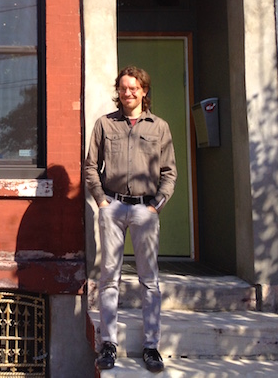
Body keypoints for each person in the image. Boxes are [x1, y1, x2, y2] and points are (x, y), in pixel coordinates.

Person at [84, 66, 177, 373]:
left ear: (144, 91)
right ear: (118, 92)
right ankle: (108, 344)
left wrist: (156, 206)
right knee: (109, 277)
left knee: (149, 281)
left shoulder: (159, 127)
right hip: (112, 207)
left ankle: (151, 346)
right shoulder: (104, 124)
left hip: (144, 211)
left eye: (133, 88)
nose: (128, 93)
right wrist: (100, 201)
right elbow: (90, 167)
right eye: (123, 88)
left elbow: (169, 173)